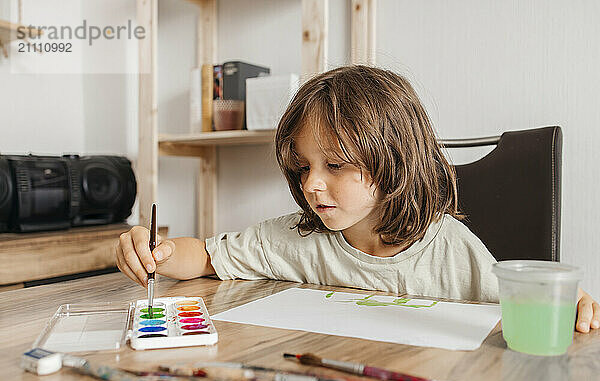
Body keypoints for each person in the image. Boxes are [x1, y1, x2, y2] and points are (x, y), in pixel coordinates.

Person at [116, 65, 599, 333]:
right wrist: (153, 252)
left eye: (336, 164)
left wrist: (564, 302)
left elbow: (518, 310)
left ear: (393, 159)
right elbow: (203, 256)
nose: (311, 185)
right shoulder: (294, 237)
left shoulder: (449, 248)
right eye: (303, 167)